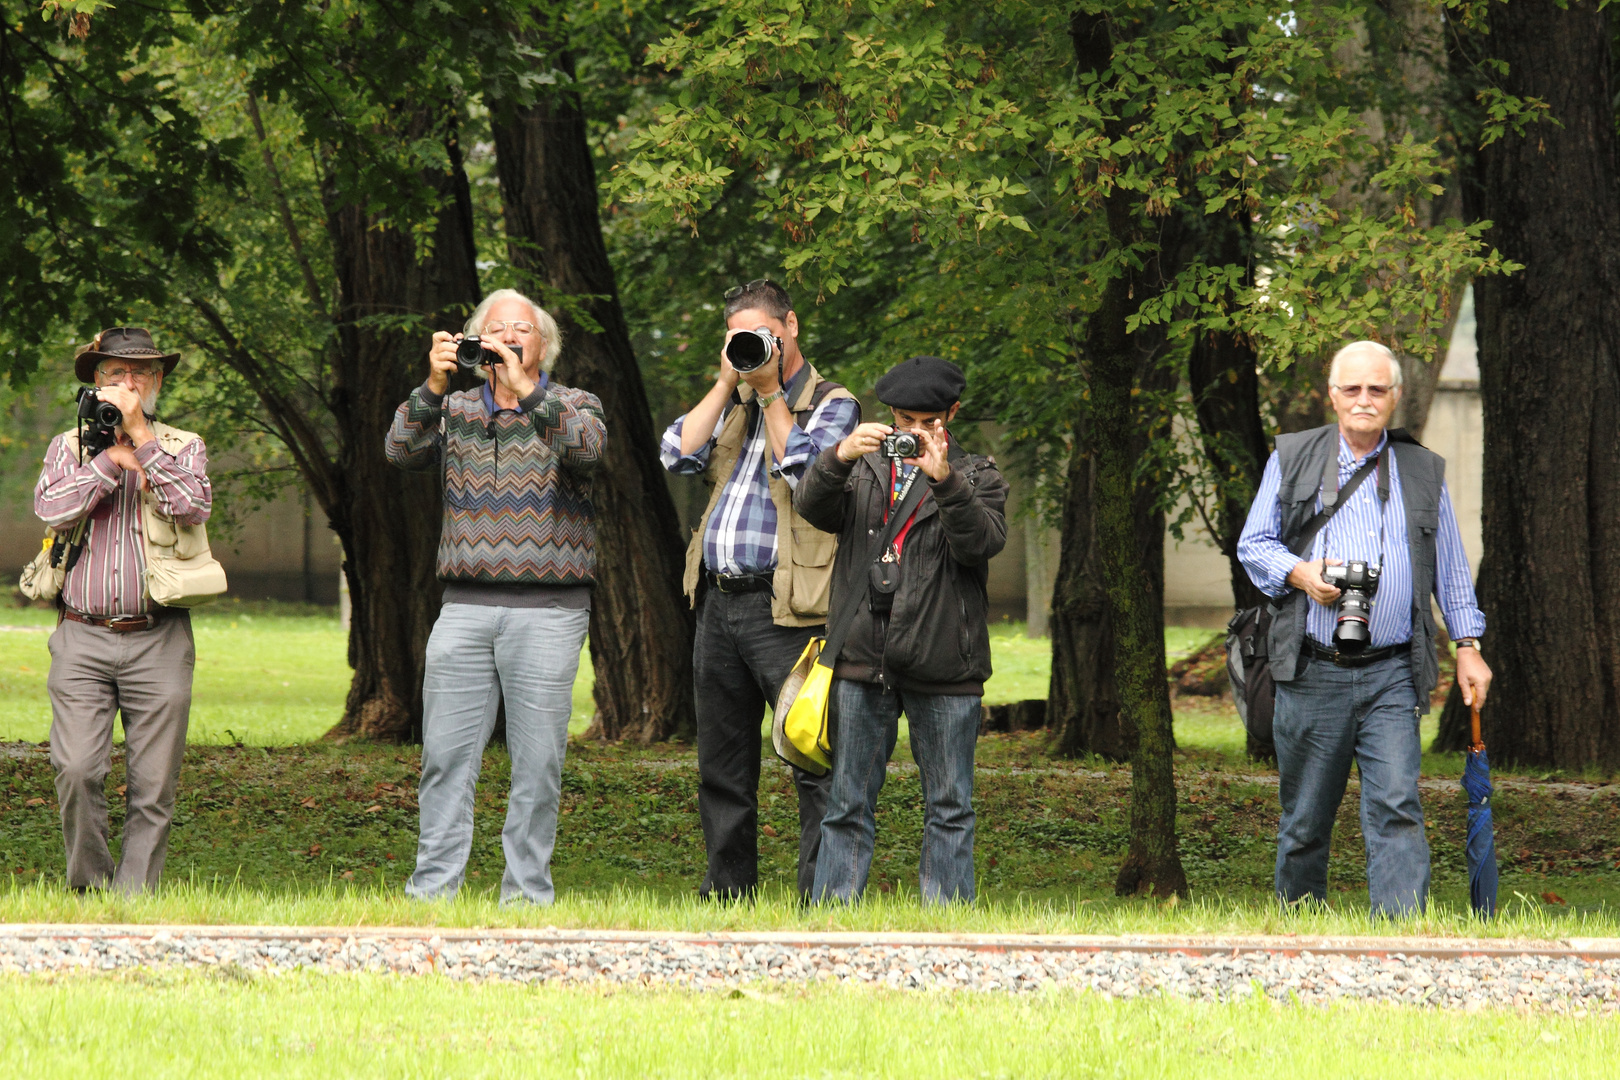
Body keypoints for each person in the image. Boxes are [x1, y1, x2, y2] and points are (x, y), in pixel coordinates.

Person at [1237, 340, 1492, 916]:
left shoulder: (1422, 470)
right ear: (1332, 395)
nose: (1363, 400)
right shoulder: (1295, 456)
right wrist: (1301, 574)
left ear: (1395, 397)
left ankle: (1401, 936)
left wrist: (1468, 645)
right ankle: (1301, 930)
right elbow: (1253, 544)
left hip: (1392, 672)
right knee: (1304, 816)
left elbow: (1448, 567)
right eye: (1351, 389)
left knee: (1398, 805)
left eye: (1377, 389)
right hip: (1312, 668)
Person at [386, 289, 606, 905]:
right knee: (445, 761)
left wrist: (527, 393)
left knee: (537, 769)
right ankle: (432, 894)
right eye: (497, 329)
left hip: (551, 611)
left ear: (545, 346)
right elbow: (399, 451)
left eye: (523, 330)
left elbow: (587, 452)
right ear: (475, 342)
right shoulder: (453, 409)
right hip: (463, 607)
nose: (510, 338)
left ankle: (526, 898)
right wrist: (430, 385)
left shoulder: (572, 403)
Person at [661, 278, 861, 900]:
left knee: (810, 756)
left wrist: (773, 392)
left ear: (791, 327)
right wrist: (728, 382)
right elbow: (676, 453)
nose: (752, 347)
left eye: (762, 335)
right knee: (721, 764)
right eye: (739, 337)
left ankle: (821, 896)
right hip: (718, 604)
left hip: (792, 611)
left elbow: (805, 472)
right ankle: (727, 891)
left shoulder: (833, 402)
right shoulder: (735, 400)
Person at [795, 355, 1007, 904]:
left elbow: (981, 544)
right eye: (903, 420)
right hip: (863, 657)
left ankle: (947, 919)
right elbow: (811, 509)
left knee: (951, 805)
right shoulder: (864, 467)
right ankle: (833, 914)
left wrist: (946, 481)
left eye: (927, 422)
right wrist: (838, 456)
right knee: (847, 803)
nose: (914, 432)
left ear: (952, 413)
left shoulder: (978, 473)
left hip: (945, 663)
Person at [34, 327, 213, 894]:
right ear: (95, 382)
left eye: (140, 375)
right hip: (81, 635)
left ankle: (133, 899)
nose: (127, 384)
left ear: (157, 382)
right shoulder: (68, 446)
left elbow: (192, 506)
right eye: (115, 374)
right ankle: (89, 887)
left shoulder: (185, 446)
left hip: (160, 636)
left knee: (154, 785)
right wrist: (110, 461)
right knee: (78, 769)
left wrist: (140, 437)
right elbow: (51, 508)